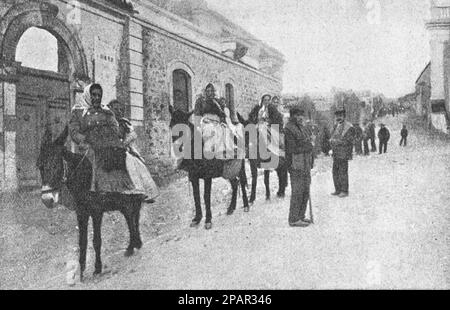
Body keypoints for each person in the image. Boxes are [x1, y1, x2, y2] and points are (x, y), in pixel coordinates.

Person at [69, 84, 135, 194]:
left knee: (120, 153)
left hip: (109, 142)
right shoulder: (78, 112)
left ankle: (121, 188)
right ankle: (98, 188)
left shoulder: (106, 111)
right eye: (93, 95)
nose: (97, 98)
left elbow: (115, 128)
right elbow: (74, 131)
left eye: (99, 95)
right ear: (87, 95)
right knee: (96, 154)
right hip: (89, 143)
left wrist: (121, 133)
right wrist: (83, 140)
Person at [108, 99, 159, 202]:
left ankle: (144, 192)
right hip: (111, 150)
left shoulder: (123, 123)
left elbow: (132, 135)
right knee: (128, 162)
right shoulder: (107, 123)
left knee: (137, 163)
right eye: (116, 109)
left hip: (123, 149)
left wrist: (126, 142)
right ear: (110, 110)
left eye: (120, 109)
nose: (118, 112)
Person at [284, 107, 313, 227]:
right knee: (298, 191)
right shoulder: (289, 129)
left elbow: (308, 142)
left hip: (305, 164)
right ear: (292, 116)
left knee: (305, 190)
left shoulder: (302, 127)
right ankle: (294, 218)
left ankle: (301, 215)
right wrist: (307, 146)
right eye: (297, 115)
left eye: (302, 115)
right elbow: (292, 148)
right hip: (295, 165)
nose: (300, 117)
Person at [193, 84, 237, 159]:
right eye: (207, 91)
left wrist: (223, 120)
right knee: (209, 130)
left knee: (225, 130)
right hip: (206, 121)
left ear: (213, 92)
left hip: (216, 122)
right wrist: (197, 125)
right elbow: (197, 113)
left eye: (211, 91)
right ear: (205, 92)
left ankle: (227, 151)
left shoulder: (217, 102)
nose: (209, 93)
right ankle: (208, 151)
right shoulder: (201, 101)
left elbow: (222, 114)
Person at [330, 109, 355, 198]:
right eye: (337, 116)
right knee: (335, 172)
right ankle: (338, 189)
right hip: (336, 153)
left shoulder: (349, 127)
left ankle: (344, 190)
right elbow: (332, 136)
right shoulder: (335, 126)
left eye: (340, 115)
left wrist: (335, 141)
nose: (338, 117)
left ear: (344, 116)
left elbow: (349, 141)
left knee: (343, 172)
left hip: (344, 153)